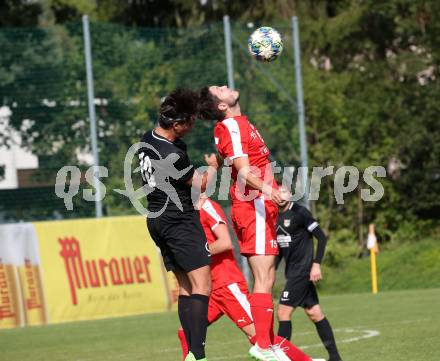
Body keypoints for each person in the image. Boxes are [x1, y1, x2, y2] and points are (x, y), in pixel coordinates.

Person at [198, 85, 286, 361]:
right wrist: (270, 190)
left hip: (261, 204)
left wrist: (274, 189)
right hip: (254, 205)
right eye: (219, 89)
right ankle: (263, 346)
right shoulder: (232, 126)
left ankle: (266, 345)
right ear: (222, 105)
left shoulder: (239, 124)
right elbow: (244, 170)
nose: (225, 86)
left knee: (268, 277)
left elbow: (241, 162)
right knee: (263, 277)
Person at [177, 196, 322, 361]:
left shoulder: (206, 205)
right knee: (185, 332)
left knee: (262, 339)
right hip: (206, 289)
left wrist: (191, 254)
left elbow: (225, 242)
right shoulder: (184, 212)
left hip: (227, 286)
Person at [138, 88, 218, 361]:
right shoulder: (171, 155)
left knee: (185, 286)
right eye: (190, 121)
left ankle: (191, 355)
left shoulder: (147, 139)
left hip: (156, 218)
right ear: (176, 124)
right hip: (178, 218)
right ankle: (198, 354)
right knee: (202, 284)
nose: (193, 126)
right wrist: (216, 165)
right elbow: (201, 184)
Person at [275, 186, 343, 361]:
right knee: (315, 313)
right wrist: (270, 271)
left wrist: (316, 265)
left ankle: (279, 358)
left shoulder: (300, 212)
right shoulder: (273, 216)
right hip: (293, 273)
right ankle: (335, 358)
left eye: (284, 191)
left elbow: (321, 237)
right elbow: (281, 250)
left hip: (302, 272)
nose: (280, 195)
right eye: (277, 191)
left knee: (283, 313)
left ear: (290, 194)